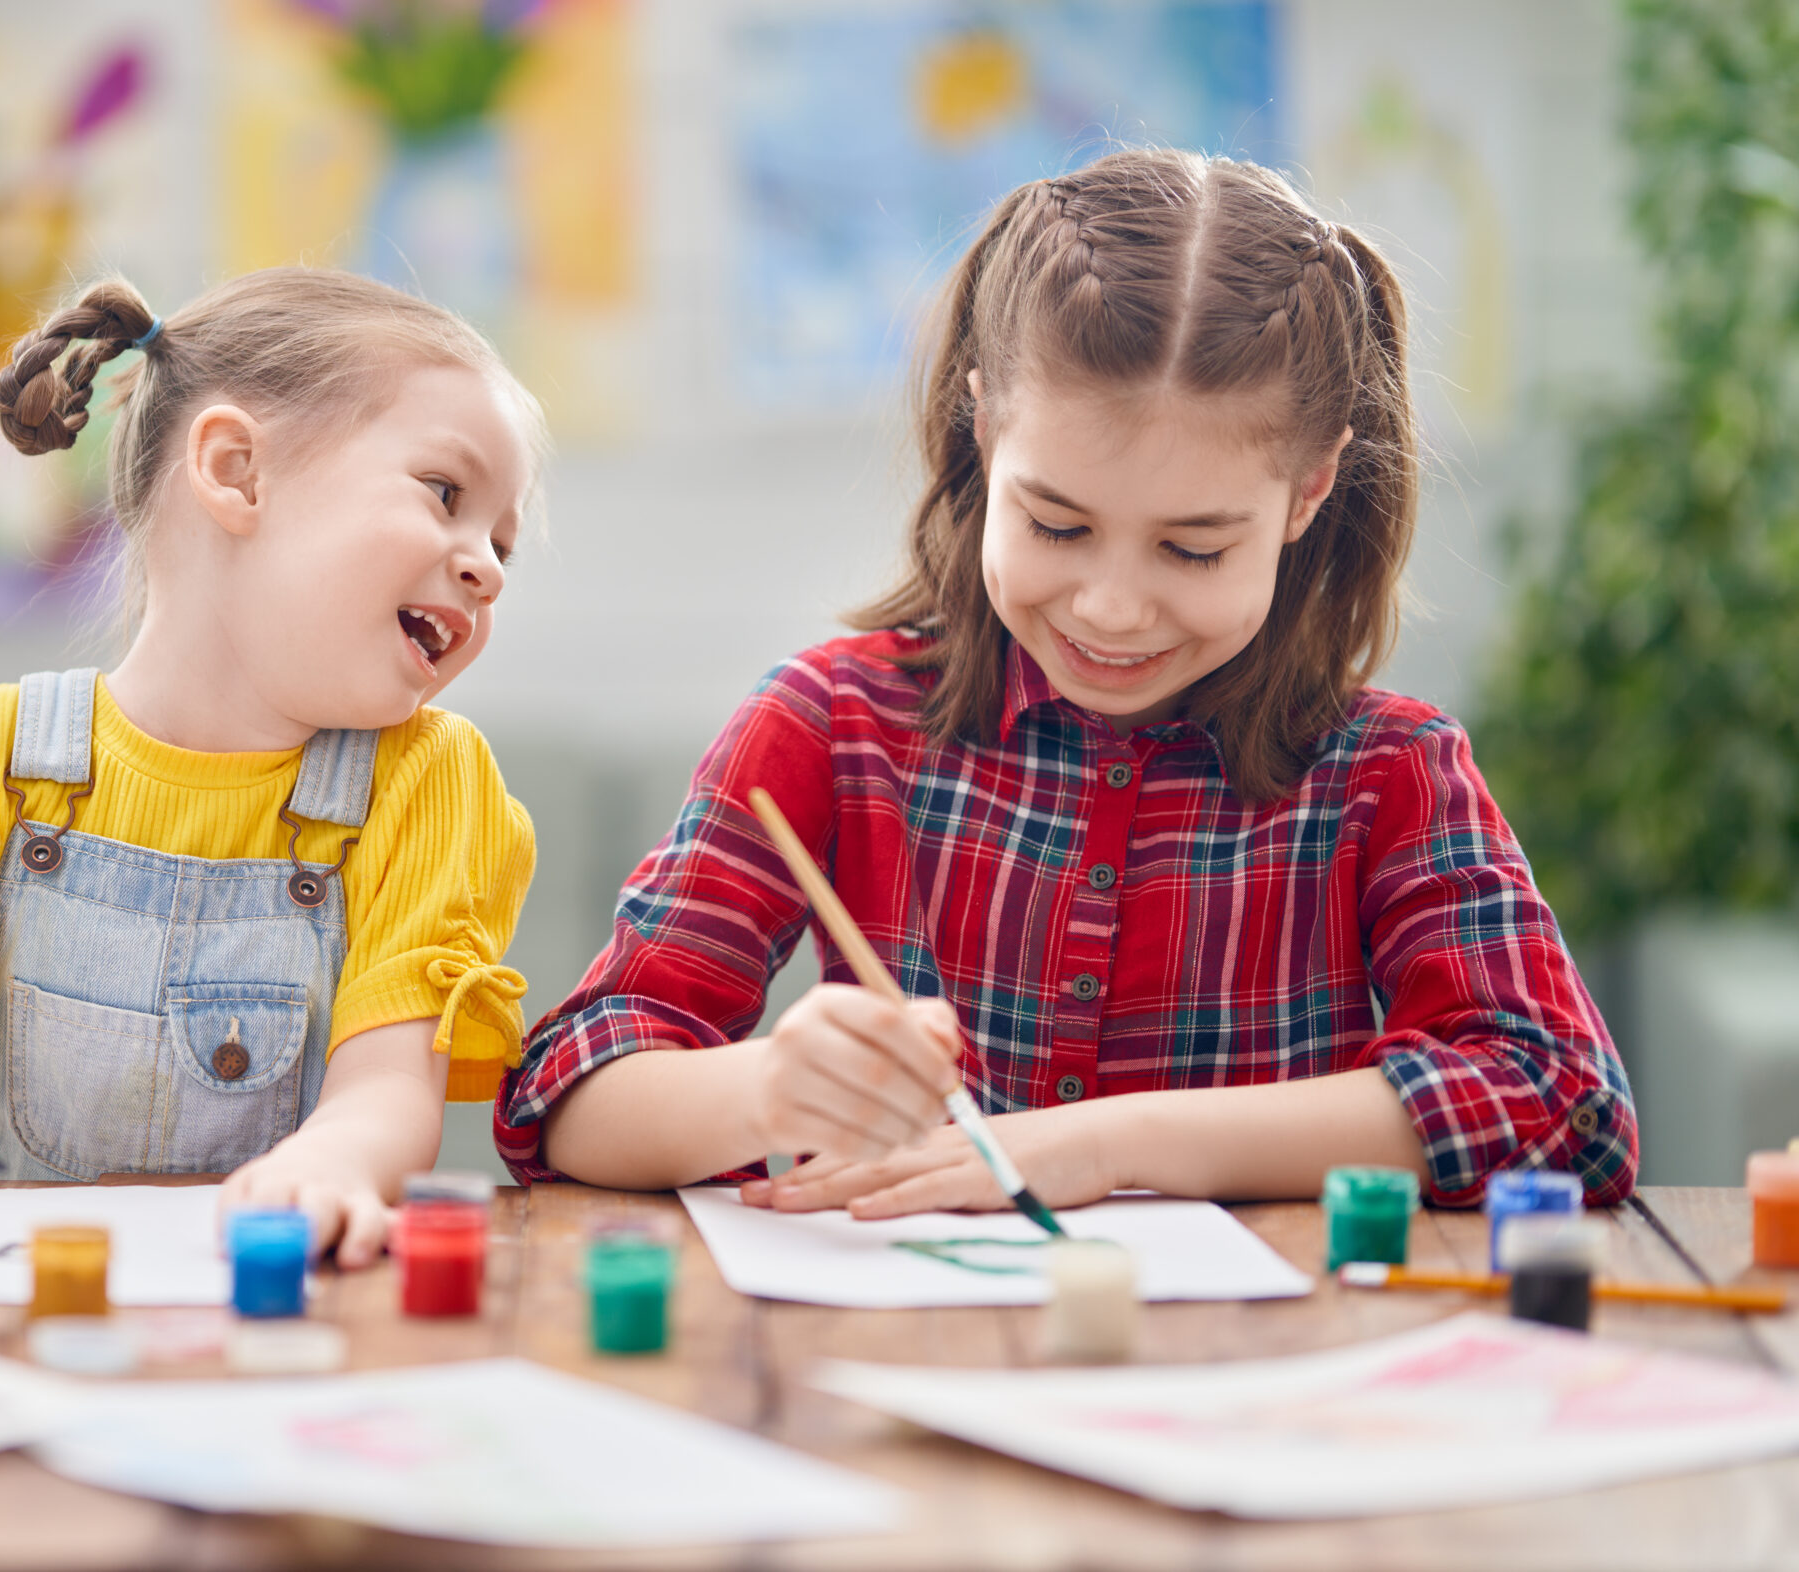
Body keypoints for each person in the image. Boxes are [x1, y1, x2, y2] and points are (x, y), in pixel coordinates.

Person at [498, 149, 1634, 1216]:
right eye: (1057, 523)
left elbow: (1562, 1109)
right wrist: (763, 1092)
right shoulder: (832, 723)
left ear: (1307, 492)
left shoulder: (1386, 771)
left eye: (1192, 550)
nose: (1109, 608)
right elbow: (562, 1101)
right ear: (985, 427)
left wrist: (1100, 1146)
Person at [0, 269, 540, 1264]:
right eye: (444, 494)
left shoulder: (431, 787)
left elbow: (389, 1091)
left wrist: (338, 1164)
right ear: (234, 470)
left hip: (272, 1320)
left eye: (500, 541)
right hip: (17, 1324)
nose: (483, 564)